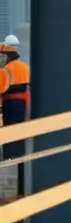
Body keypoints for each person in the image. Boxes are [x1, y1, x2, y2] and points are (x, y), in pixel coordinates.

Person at [0, 35, 30, 196]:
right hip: (24, 108)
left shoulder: (5, 70)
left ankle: (14, 189)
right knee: (20, 149)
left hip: (11, 108)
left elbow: (1, 90)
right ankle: (22, 187)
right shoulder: (25, 67)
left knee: (11, 149)